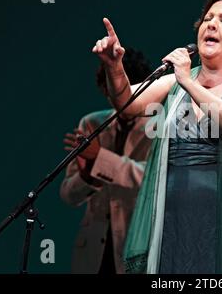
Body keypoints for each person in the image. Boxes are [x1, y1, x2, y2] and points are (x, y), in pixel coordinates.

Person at [92, 0, 222, 273]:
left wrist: (189, 81)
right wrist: (114, 67)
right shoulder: (172, 83)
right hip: (168, 223)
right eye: (208, 18)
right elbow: (127, 104)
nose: (211, 24)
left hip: (218, 227)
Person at [60, 47, 153, 274]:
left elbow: (152, 179)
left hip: (138, 249)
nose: (116, 95)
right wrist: (86, 176)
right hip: (93, 254)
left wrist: (99, 158)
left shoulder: (159, 127)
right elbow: (68, 196)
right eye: (109, 88)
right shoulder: (91, 123)